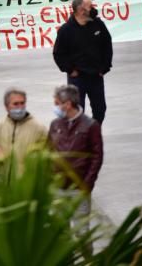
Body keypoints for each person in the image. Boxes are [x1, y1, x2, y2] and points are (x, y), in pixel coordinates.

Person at [53, 0, 112, 124]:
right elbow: (58, 54)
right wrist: (70, 70)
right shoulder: (66, 30)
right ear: (81, 10)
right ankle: (80, 134)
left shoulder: (98, 24)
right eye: (90, 7)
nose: (94, 9)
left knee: (100, 109)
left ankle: (94, 131)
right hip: (77, 78)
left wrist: (105, 67)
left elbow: (107, 44)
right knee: (77, 110)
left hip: (96, 76)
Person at [48, 84, 103, 219]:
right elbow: (48, 151)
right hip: (59, 188)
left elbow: (97, 157)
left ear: (67, 104)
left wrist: (87, 184)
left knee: (81, 228)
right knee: (60, 228)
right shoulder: (55, 124)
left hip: (79, 189)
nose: (55, 107)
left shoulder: (90, 125)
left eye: (57, 103)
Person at [0, 87, 47, 170]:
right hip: (4, 174)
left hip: (26, 175)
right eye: (16, 104)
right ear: (6, 107)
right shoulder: (0, 125)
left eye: (22, 103)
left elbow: (50, 149)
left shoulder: (38, 127)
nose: (20, 107)